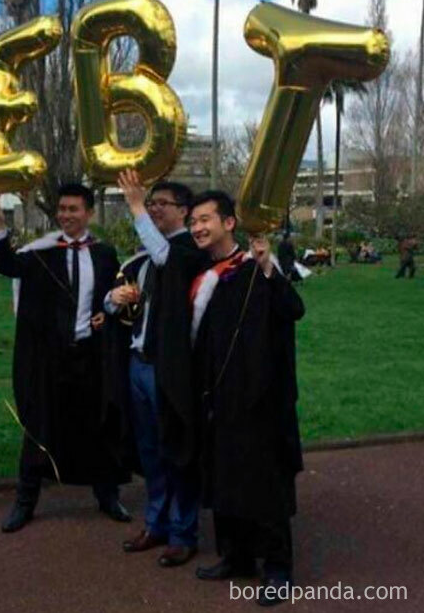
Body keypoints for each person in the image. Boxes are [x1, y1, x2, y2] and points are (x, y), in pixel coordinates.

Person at [0, 183, 130, 533]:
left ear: (89, 213)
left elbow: (110, 298)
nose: (67, 215)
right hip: (50, 358)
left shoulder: (105, 253)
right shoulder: (42, 253)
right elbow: (7, 265)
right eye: (62, 209)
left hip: (90, 355)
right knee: (39, 426)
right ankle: (25, 501)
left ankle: (107, 495)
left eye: (74, 209)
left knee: (100, 422)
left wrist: (104, 314)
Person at [189, 191, 305, 607]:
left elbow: (294, 309)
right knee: (224, 480)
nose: (198, 228)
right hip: (218, 397)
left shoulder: (256, 269)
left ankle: (278, 568)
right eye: (193, 222)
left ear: (229, 223)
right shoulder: (205, 275)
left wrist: (267, 266)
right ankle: (235, 557)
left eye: (205, 219)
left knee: (264, 484)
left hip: (260, 398)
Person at [107, 169, 210, 567]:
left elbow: (167, 257)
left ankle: (184, 533)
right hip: (137, 365)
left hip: (169, 370)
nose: (152, 210)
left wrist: (134, 206)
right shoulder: (145, 257)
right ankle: (157, 523)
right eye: (149, 204)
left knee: (177, 449)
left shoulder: (187, 251)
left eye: (159, 204)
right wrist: (114, 299)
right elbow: (111, 304)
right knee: (151, 453)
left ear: (183, 212)